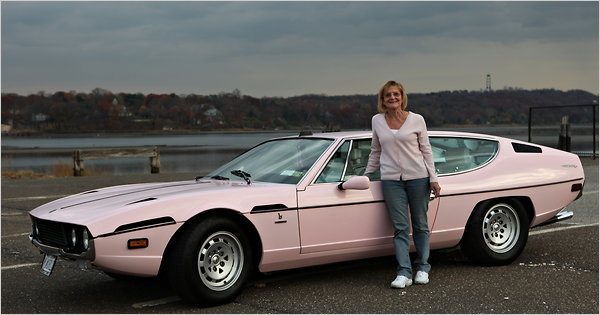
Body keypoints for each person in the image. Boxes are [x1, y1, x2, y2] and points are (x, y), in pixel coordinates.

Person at [364, 80, 441, 289]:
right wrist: (366, 175)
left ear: (402, 97)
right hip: (391, 181)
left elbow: (426, 150)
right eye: (388, 95)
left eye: (396, 94)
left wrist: (433, 178)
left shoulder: (417, 120)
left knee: (420, 224)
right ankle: (404, 272)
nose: (392, 98)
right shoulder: (377, 121)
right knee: (400, 227)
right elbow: (375, 150)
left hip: (418, 178)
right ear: (383, 99)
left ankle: (423, 268)